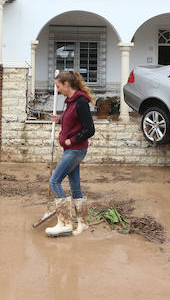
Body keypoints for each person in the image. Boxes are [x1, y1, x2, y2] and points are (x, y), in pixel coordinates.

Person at [45, 70, 97, 237]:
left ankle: (65, 223)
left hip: (76, 149)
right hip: (72, 150)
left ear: (66, 85)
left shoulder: (81, 101)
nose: (58, 89)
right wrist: (59, 120)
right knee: (75, 187)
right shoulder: (71, 102)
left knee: (54, 181)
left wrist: (72, 140)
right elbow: (73, 119)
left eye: (58, 86)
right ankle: (82, 223)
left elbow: (90, 129)